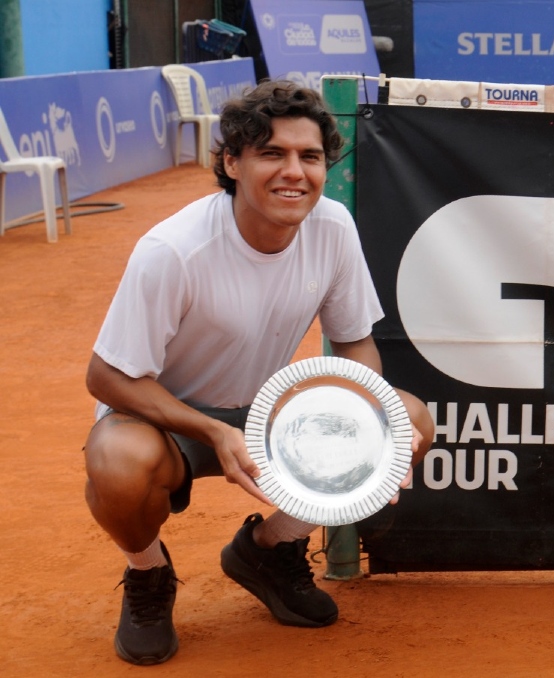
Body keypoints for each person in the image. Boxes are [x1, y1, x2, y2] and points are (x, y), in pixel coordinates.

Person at [83, 80, 434, 666]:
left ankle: (271, 549)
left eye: (310, 156)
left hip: (270, 415)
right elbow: (106, 377)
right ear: (232, 162)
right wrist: (212, 431)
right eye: (272, 154)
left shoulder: (333, 227)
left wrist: (368, 435)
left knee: (406, 422)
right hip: (164, 422)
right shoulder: (172, 250)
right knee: (117, 466)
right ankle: (148, 574)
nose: (294, 172)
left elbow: (354, 342)